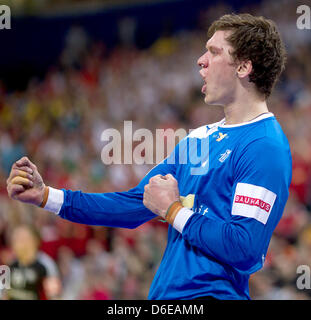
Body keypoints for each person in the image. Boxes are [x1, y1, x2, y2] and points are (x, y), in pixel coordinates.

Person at [6, 13, 292, 300]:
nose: (201, 60)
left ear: (243, 66)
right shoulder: (201, 138)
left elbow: (244, 249)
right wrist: (47, 197)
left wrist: (174, 211)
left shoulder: (264, 145)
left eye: (214, 52)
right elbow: (133, 204)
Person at [3, 224, 62, 300]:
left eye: (20, 238)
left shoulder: (45, 265)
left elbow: (55, 297)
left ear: (34, 241)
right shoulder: (11, 264)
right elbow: (4, 294)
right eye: (14, 238)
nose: (14, 242)